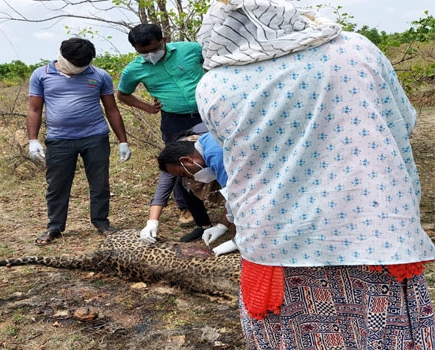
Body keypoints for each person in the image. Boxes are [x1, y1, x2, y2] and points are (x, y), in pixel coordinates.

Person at [195, 0, 435, 348]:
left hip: (274, 235)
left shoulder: (212, 85)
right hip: (372, 227)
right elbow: (401, 121)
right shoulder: (354, 49)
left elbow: (235, 151)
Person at [27, 38, 131, 245]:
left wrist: (123, 141)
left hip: (95, 137)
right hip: (59, 139)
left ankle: (101, 223)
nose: (77, 69)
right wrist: (32, 139)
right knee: (57, 185)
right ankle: (55, 227)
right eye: (74, 65)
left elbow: (111, 109)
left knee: (100, 183)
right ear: (62, 56)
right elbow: (35, 109)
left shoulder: (100, 75)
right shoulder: (41, 74)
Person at [117, 23, 207, 231]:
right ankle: (186, 208)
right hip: (174, 119)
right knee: (176, 163)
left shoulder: (192, 49)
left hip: (207, 113)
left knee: (214, 154)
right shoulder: (134, 69)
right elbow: (122, 95)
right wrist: (147, 108)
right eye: (143, 52)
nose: (150, 55)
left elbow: (215, 63)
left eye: (154, 49)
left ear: (164, 40)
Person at [155, 132, 238, 257]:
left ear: (186, 160)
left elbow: (237, 201)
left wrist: (236, 240)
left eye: (184, 174)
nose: (190, 178)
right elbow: (231, 198)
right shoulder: (205, 142)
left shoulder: (217, 157)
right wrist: (222, 225)